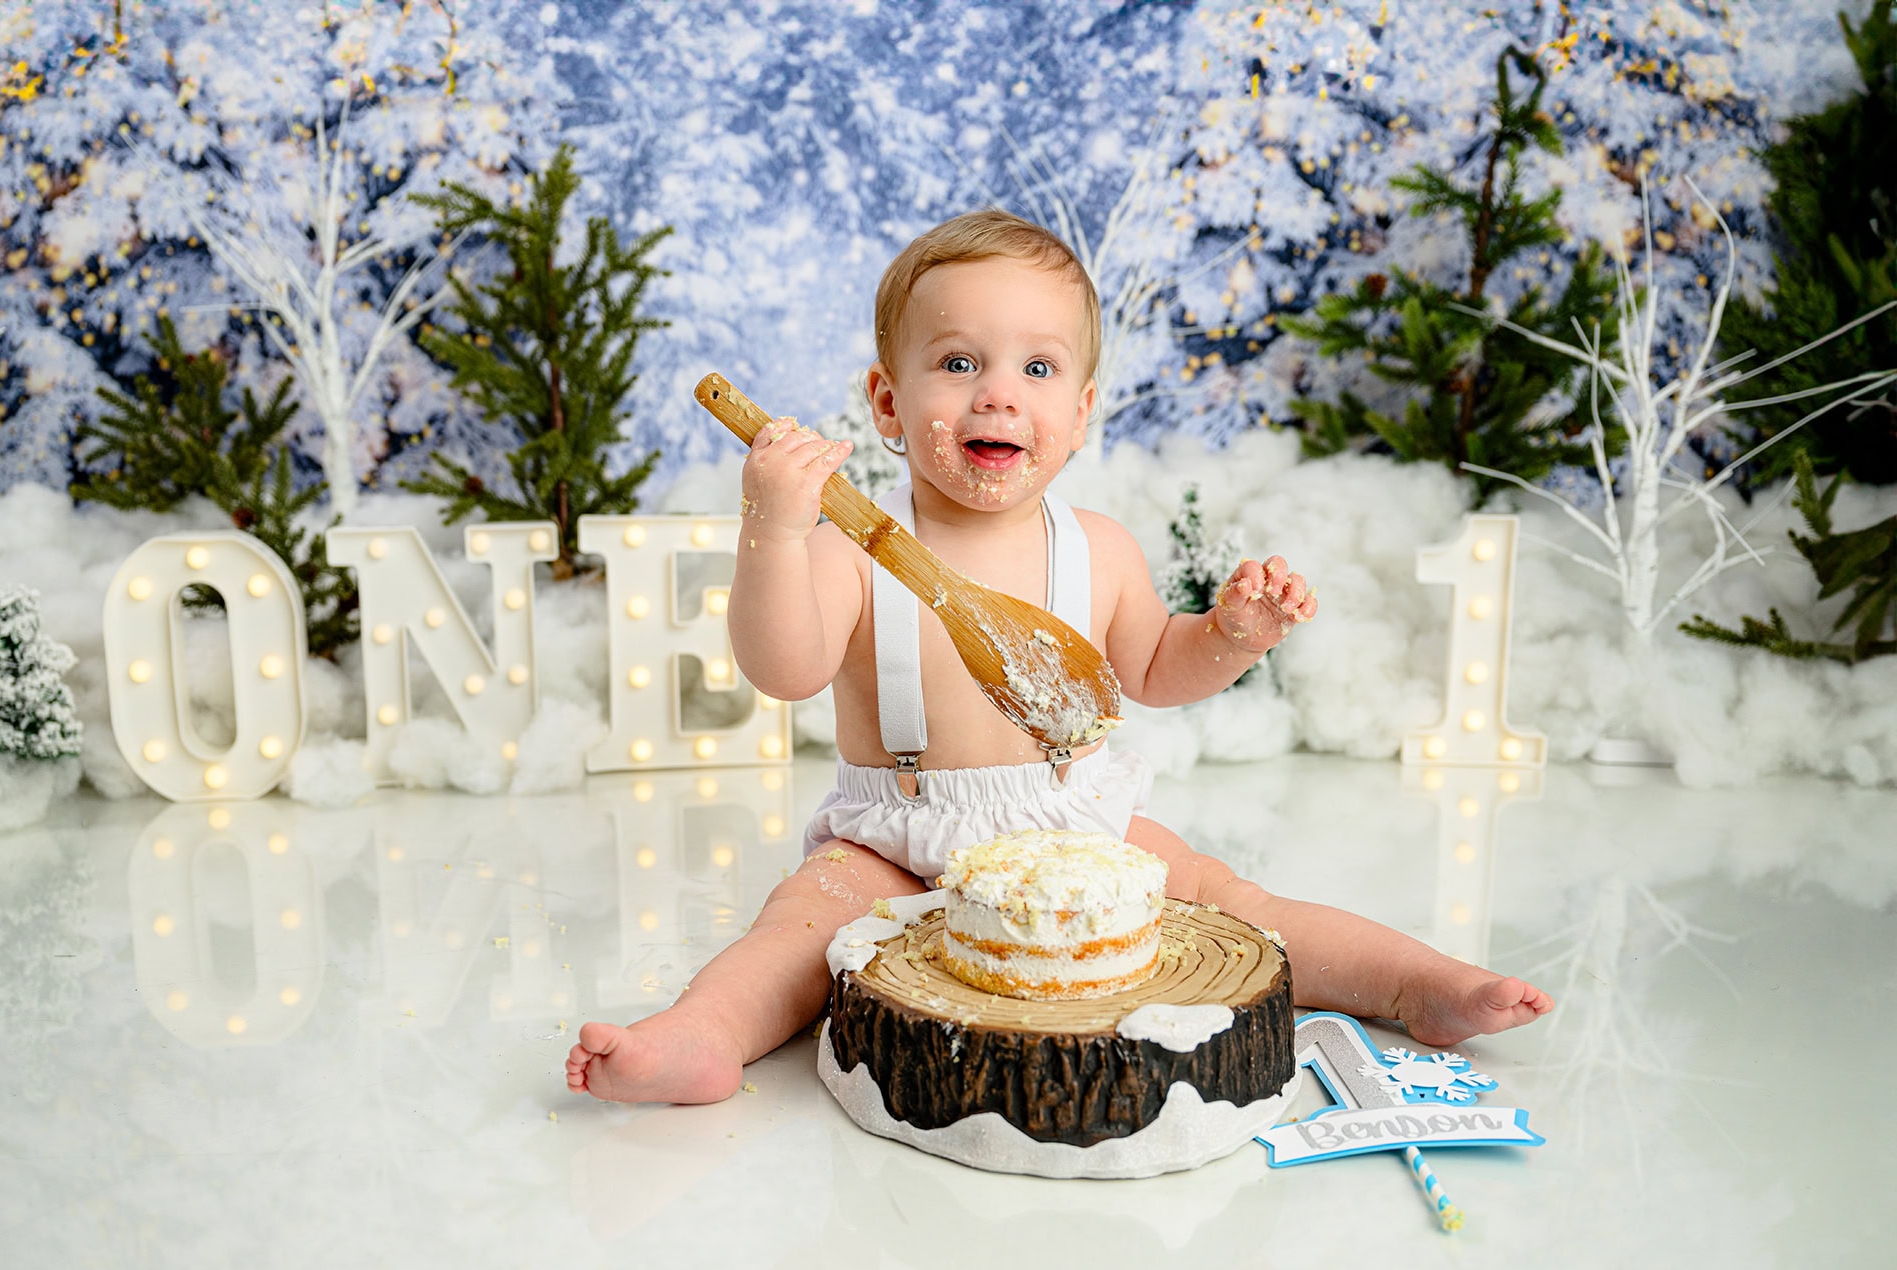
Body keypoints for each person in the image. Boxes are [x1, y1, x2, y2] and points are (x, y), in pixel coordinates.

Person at [567, 210, 1552, 1103]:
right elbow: (783, 669)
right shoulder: (851, 551)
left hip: (1072, 822)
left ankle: (1415, 983)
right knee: (794, 929)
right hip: (897, 841)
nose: (998, 393)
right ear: (884, 400)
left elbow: (1155, 672)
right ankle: (700, 1035)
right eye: (957, 363)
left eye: (1036, 370)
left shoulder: (1098, 550)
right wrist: (773, 532)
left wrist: (1227, 638)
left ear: (1079, 413)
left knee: (1229, 900)